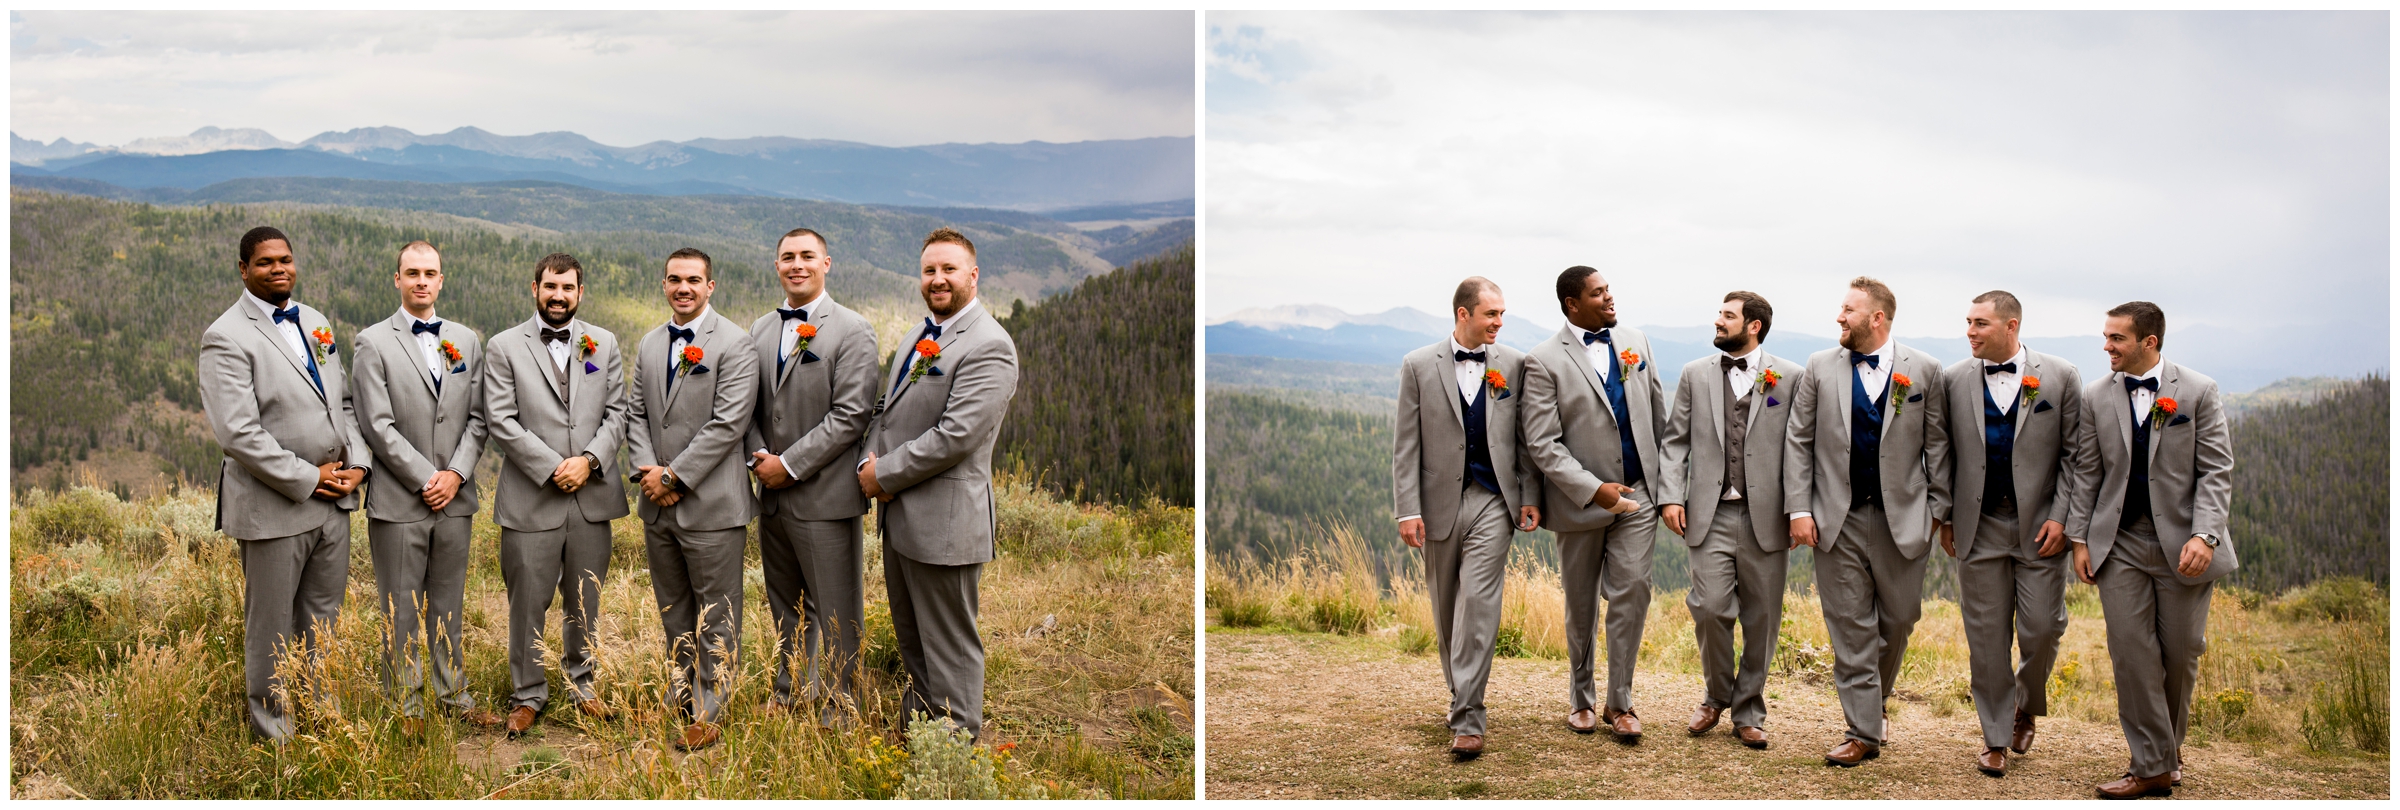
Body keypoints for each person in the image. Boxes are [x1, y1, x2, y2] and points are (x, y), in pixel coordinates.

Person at [198, 225, 371, 741]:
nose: (279, 269)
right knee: (270, 625)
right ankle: (274, 730)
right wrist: (307, 477)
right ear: (244, 269)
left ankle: (319, 710)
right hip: (273, 506)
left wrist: (357, 465)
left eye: (286, 260)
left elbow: (342, 403)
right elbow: (238, 434)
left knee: (323, 618)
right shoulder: (225, 335)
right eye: (266, 262)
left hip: (334, 503)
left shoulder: (315, 322)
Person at [2065, 301, 2235, 799]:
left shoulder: (2198, 391)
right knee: (2132, 654)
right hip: (2117, 545)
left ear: (2149, 343)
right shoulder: (2097, 395)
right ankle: (2152, 765)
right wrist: (2080, 539)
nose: (2106, 346)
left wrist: (2206, 536)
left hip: (2185, 547)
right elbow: (2087, 472)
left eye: (2116, 338)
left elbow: (2216, 472)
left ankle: (2166, 752)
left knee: (2180, 654)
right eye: (2105, 336)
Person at [859, 227, 1020, 741]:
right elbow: (891, 410)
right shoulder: (921, 333)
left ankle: (955, 750)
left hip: (947, 524)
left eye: (950, 269)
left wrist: (881, 474)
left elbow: (955, 437)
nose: (938, 279)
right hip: (904, 518)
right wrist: (871, 450)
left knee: (949, 641)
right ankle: (922, 732)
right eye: (930, 270)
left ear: (974, 275)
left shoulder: (990, 346)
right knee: (913, 639)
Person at [1782, 276, 1950, 767]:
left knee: (1899, 621)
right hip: (1837, 518)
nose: (1839, 317)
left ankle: (1872, 702)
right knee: (1851, 628)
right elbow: (1799, 441)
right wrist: (1799, 508)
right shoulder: (1819, 367)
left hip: (1904, 520)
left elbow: (1937, 445)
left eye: (1848, 310)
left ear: (1877, 318)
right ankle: (1862, 731)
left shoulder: (1925, 369)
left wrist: (1939, 512)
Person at [347, 240, 503, 735]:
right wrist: (424, 478)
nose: (420, 280)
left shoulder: (466, 340)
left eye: (429, 272)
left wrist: (455, 474)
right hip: (399, 499)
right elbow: (376, 424)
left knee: (448, 602)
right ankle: (406, 702)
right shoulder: (372, 342)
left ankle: (453, 691)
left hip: (456, 499)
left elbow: (479, 417)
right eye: (411, 272)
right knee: (400, 604)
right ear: (397, 280)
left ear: (441, 280)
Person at [1392, 277, 1543, 761]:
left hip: (1494, 500)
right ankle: (1461, 697)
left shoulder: (1515, 365)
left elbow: (1526, 441)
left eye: (1502, 314)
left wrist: (1529, 495)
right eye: (1491, 314)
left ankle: (1469, 718)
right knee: (1446, 609)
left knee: (1478, 603)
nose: (1500, 323)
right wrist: (1407, 509)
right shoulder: (1418, 365)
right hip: (1437, 503)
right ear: (1463, 314)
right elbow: (1405, 445)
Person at [481, 252, 630, 738]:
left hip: (591, 497)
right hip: (530, 497)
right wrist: (552, 467)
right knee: (527, 601)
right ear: (535, 288)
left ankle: (582, 685)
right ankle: (528, 694)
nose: (559, 296)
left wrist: (587, 462)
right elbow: (501, 419)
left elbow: (618, 413)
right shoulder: (504, 346)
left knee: (584, 597)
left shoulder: (602, 342)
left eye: (568, 288)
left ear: (580, 292)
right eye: (550, 287)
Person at [1936, 290, 2085, 777]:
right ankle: (1995, 736)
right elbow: (1941, 452)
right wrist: (1946, 515)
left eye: (1980, 323)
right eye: (1968, 322)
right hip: (1977, 527)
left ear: (2011, 326)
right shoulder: (1954, 379)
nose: (1970, 332)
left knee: (2042, 629)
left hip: (2040, 528)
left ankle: (2026, 704)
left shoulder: (2060, 376)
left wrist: (2062, 518)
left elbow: (2074, 457)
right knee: (1985, 638)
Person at [626, 247, 761, 751]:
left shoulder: (734, 344)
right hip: (656, 501)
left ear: (710, 287)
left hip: (711, 503)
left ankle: (711, 706)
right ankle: (679, 693)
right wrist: (648, 473)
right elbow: (636, 414)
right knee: (674, 608)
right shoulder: (649, 343)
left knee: (717, 611)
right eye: (674, 279)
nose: (683, 287)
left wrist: (675, 477)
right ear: (664, 285)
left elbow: (729, 424)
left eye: (693, 280)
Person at [1656, 291, 1803, 750]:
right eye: (1719, 314)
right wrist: (1670, 497)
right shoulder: (1695, 374)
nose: (1718, 322)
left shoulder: (1790, 378)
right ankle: (1717, 694)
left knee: (1762, 619)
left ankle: (1749, 710)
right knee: (1711, 608)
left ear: (1753, 325)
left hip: (1768, 517)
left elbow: (1801, 448)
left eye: (1727, 316)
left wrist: (1799, 509)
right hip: (1710, 512)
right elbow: (1675, 440)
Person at [746, 228, 880, 725]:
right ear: (776, 265)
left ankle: (842, 704)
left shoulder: (852, 329)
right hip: (772, 496)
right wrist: (760, 455)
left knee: (836, 609)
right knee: (785, 605)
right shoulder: (760, 329)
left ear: (827, 262)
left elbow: (850, 416)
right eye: (787, 257)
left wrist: (791, 466)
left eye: (807, 256)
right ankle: (789, 691)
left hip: (825, 497)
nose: (797, 264)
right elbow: (748, 408)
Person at [1519, 265, 1656, 741]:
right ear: (1572, 304)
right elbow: (1542, 442)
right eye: (1598, 293)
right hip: (1581, 503)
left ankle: (1620, 703)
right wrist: (1593, 488)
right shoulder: (1542, 360)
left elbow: (1657, 416)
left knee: (1632, 590)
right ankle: (1581, 697)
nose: (1609, 298)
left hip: (1640, 497)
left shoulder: (1635, 340)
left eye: (1609, 289)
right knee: (1581, 605)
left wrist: (1666, 487)